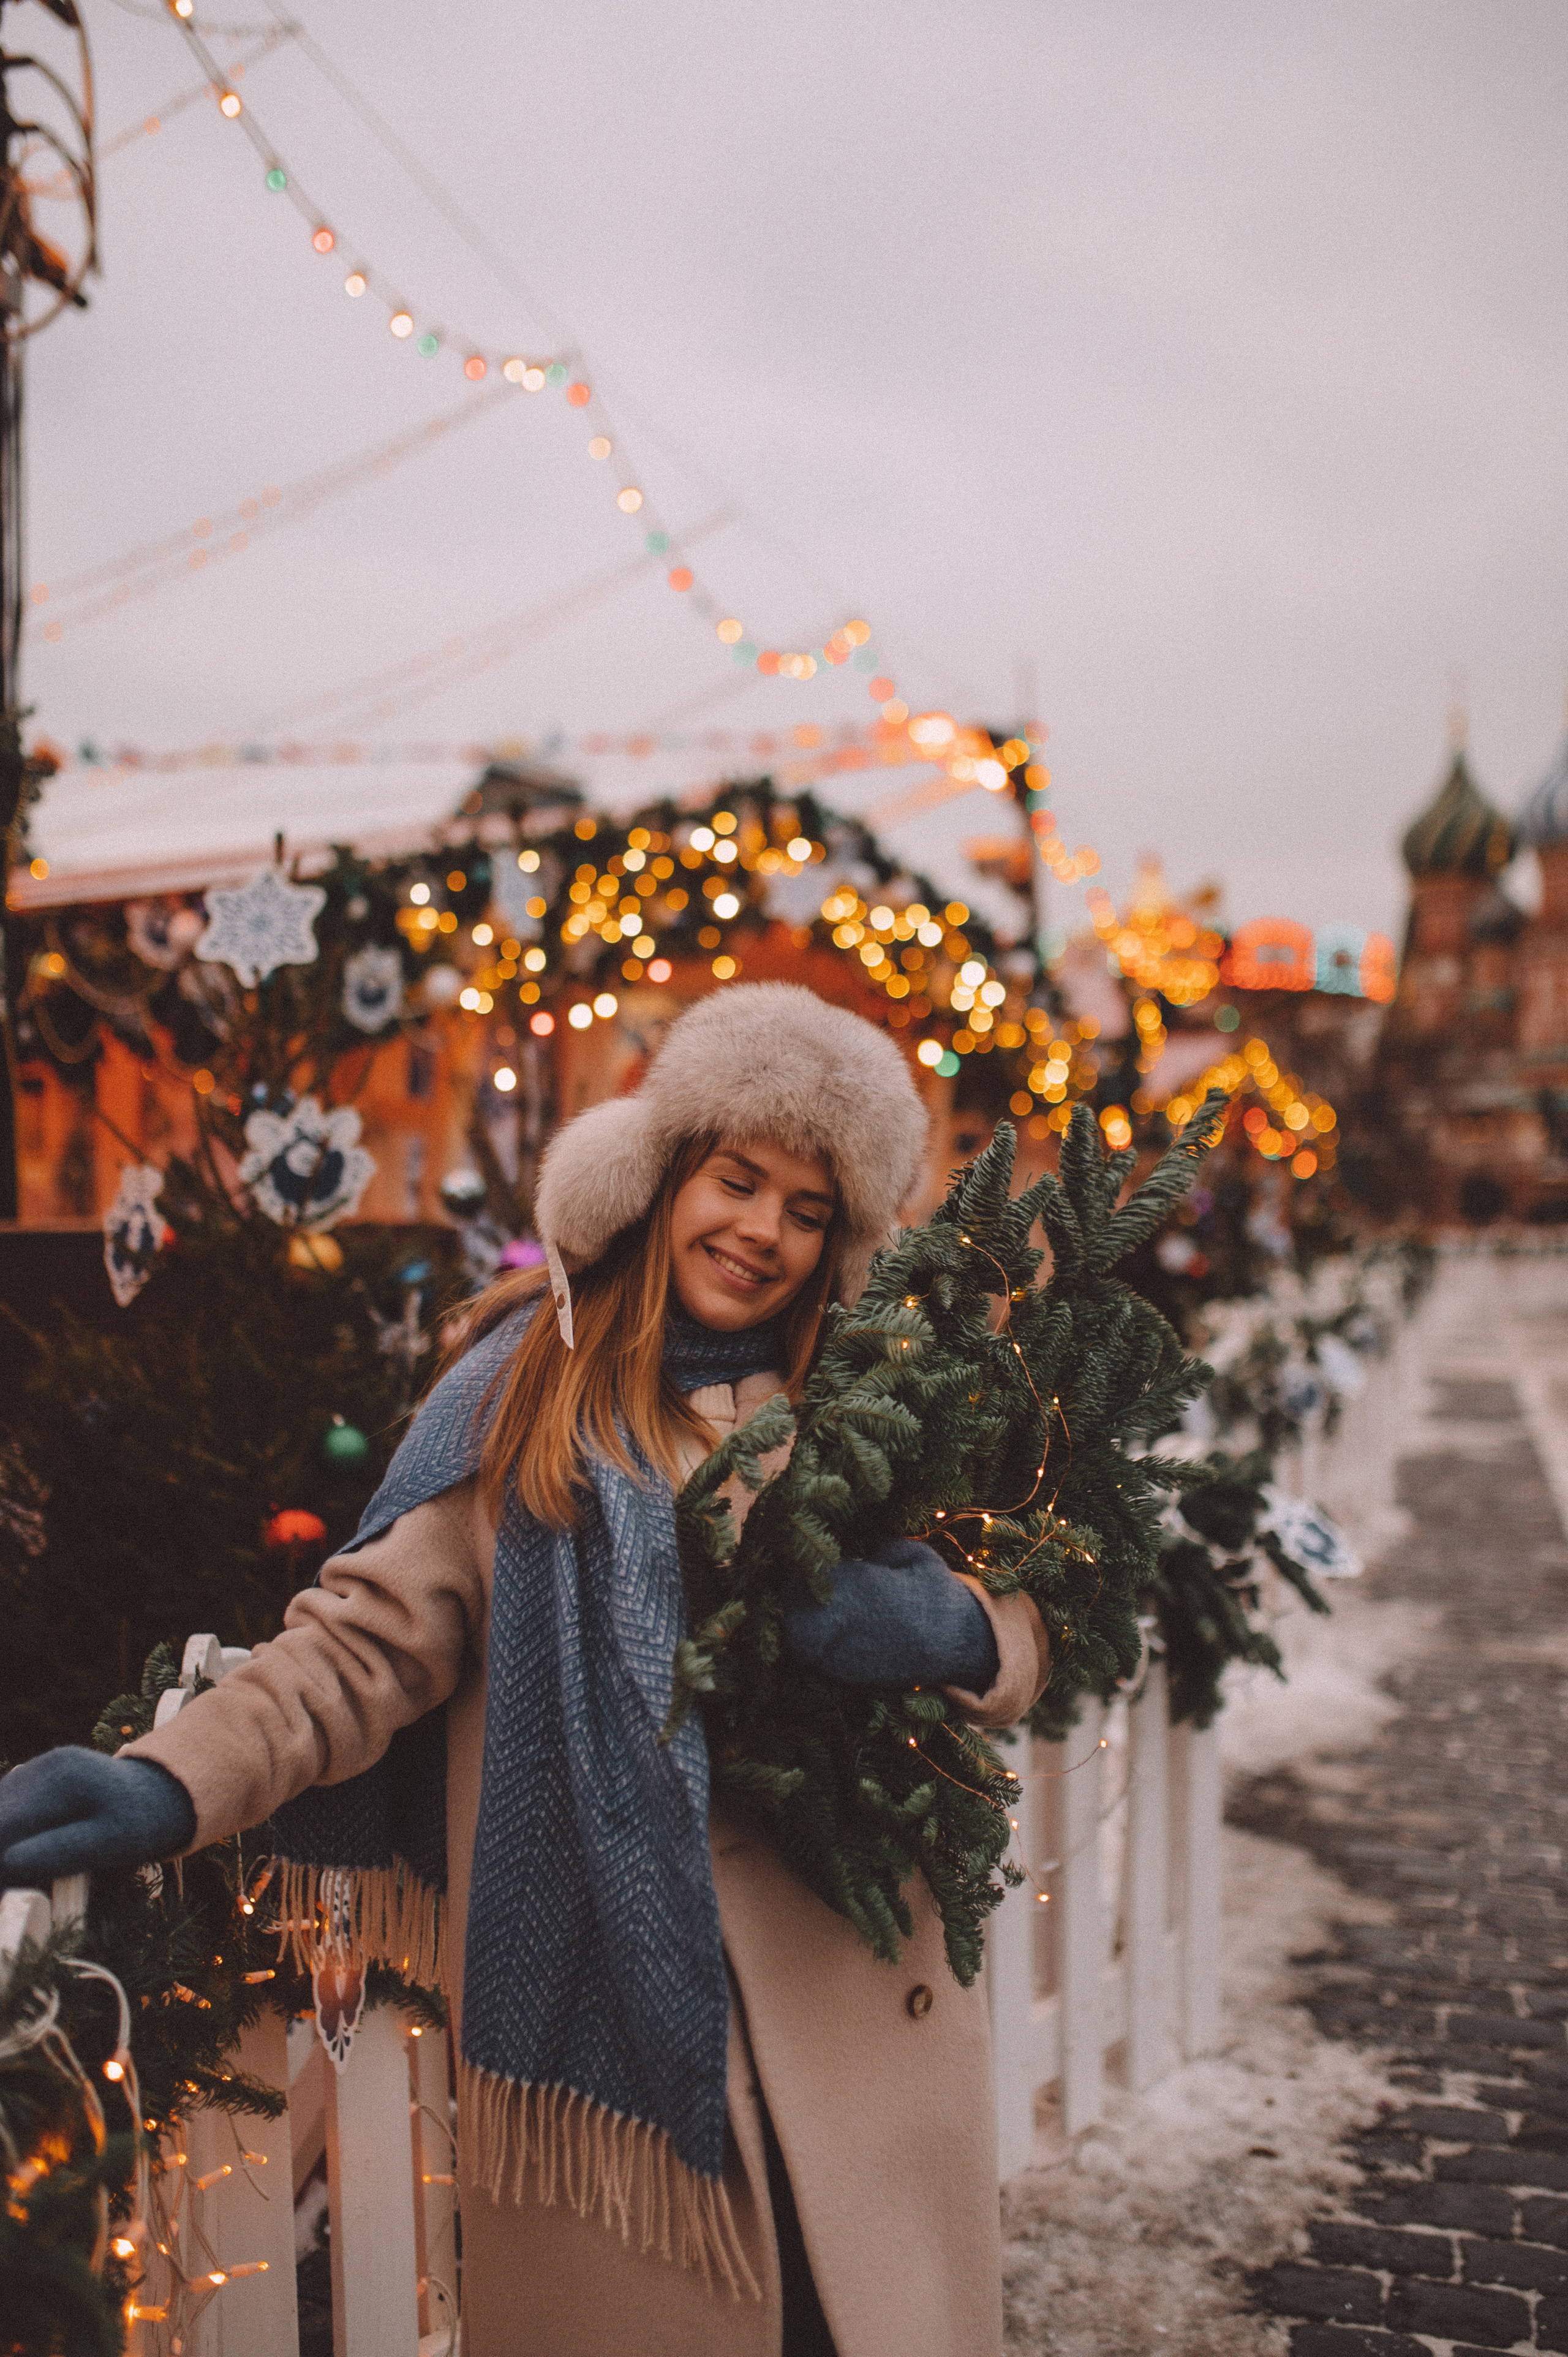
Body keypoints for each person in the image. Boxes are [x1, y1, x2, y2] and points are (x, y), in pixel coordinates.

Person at [0, 982, 1051, 2357]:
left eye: (807, 1209)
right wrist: (170, 1780)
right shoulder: (523, 1403)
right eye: (738, 1180)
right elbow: (358, 1647)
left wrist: (958, 1631)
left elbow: (1049, 1597)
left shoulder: (873, 1395)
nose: (763, 1234)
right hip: (620, 2031)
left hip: (856, 1982)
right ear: (662, 1168)